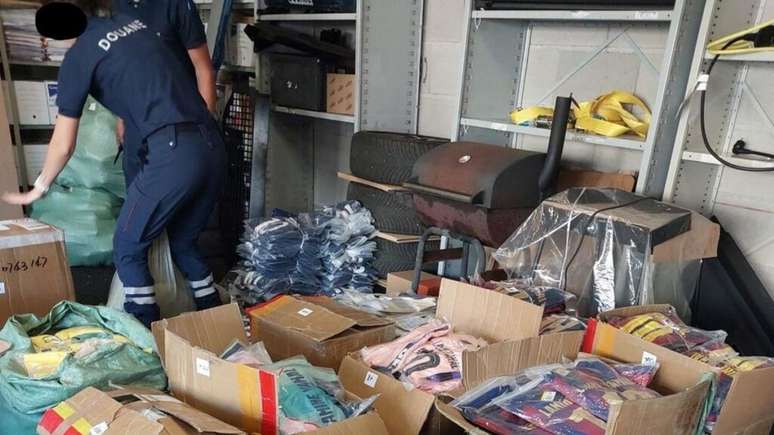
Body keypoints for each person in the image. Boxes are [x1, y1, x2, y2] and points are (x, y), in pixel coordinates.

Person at [1, 1, 225, 327]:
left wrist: (37, 188)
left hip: (172, 151)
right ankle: (217, 323)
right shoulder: (132, 26)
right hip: (211, 144)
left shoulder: (79, 58)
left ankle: (143, 332)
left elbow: (63, 145)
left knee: (127, 246)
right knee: (183, 243)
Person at [112, 0, 216, 186]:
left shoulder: (176, 4)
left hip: (179, 128)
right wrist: (121, 116)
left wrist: (205, 133)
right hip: (136, 128)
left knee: (178, 196)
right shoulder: (117, 6)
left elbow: (204, 71)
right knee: (136, 194)